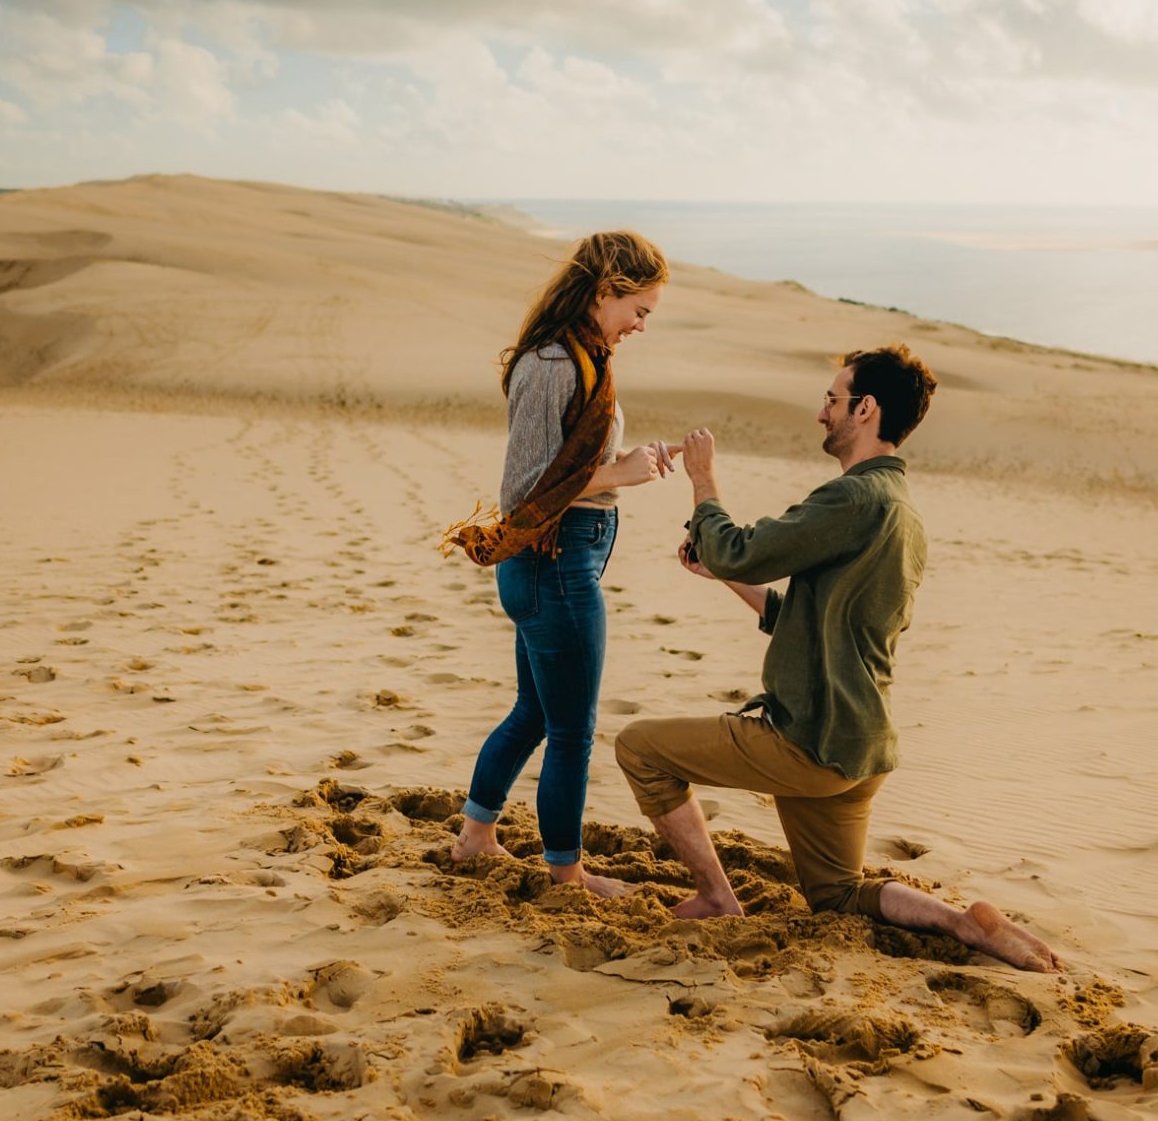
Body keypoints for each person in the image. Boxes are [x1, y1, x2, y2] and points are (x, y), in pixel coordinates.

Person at [614, 344, 1065, 971]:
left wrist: (703, 481)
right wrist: (721, 574)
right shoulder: (903, 513)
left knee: (639, 748)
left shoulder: (853, 499)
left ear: (866, 408)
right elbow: (811, 621)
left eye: (832, 399)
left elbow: (739, 549)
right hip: (861, 747)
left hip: (808, 739)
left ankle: (717, 897)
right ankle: (963, 923)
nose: (822, 412)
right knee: (837, 896)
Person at [442, 231, 676, 897]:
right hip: (553, 564)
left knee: (536, 713)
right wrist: (621, 475)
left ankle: (477, 834)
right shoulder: (553, 364)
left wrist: (623, 470)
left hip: (565, 562)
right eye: (640, 310)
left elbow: (570, 468)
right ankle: (567, 873)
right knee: (574, 728)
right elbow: (529, 492)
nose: (640, 325)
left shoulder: (582, 353)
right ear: (605, 290)